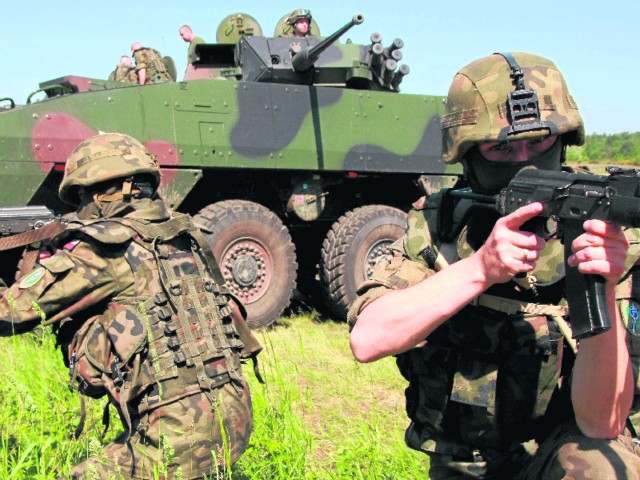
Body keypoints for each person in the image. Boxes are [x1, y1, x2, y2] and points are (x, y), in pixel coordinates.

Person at [349, 52, 640, 479]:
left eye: (540, 141)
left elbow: (602, 422)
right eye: (501, 146)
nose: (524, 159)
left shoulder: (609, 236)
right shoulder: (441, 224)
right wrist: (480, 268)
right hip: (466, 460)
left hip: (562, 451)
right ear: (467, 152)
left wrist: (603, 282)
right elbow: (368, 340)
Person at [0, 132, 262, 479]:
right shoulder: (186, 236)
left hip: (177, 442)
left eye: (80, 196)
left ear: (101, 192)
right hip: (236, 426)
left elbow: (8, 314)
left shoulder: (103, 250)